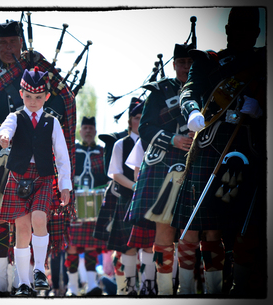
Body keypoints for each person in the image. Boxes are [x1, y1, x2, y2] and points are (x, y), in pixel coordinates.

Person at [0, 19, 76, 297]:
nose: (6, 47)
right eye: (2, 42)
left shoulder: (37, 68)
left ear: (21, 42)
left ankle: (23, 278)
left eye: (12, 42)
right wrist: (5, 126)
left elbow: (63, 100)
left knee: (31, 221)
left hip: (35, 156)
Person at [173, 7, 266, 296]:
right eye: (235, 29)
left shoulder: (263, 61)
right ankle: (191, 294)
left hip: (250, 149)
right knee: (199, 227)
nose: (241, 35)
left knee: (246, 228)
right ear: (226, 31)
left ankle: (240, 291)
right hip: (212, 146)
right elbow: (189, 90)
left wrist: (262, 108)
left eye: (247, 30)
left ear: (257, 33)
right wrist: (191, 111)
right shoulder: (207, 61)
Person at [127, 42, 197, 295]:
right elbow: (144, 128)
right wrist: (173, 139)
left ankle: (189, 292)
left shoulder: (209, 89)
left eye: (190, 63)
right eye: (181, 63)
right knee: (164, 233)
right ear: (174, 63)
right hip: (165, 165)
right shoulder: (160, 91)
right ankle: (166, 293)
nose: (186, 67)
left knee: (194, 233)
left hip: (200, 164)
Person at [0, 67, 72, 297]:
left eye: (38, 97)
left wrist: (65, 185)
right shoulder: (15, 117)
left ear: (46, 97)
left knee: (39, 218)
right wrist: (4, 137)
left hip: (43, 177)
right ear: (21, 94)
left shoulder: (52, 122)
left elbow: (62, 156)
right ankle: (23, 283)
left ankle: (39, 269)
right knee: (21, 228)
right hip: (19, 176)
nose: (32, 101)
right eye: (28, 96)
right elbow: (6, 128)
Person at [104, 99, 158, 295]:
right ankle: (129, 288)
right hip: (127, 199)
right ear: (130, 121)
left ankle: (149, 285)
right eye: (136, 118)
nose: (140, 121)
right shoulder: (121, 144)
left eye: (143, 117)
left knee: (149, 245)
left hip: (151, 201)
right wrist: (137, 187)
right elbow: (115, 173)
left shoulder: (153, 141)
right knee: (127, 246)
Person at [64, 116, 109, 296]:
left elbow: (108, 175)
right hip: (74, 203)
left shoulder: (102, 152)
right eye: (85, 128)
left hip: (95, 204)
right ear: (80, 131)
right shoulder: (72, 150)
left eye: (91, 128)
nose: (88, 131)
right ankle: (72, 287)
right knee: (72, 246)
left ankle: (92, 285)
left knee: (91, 245)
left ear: (95, 132)